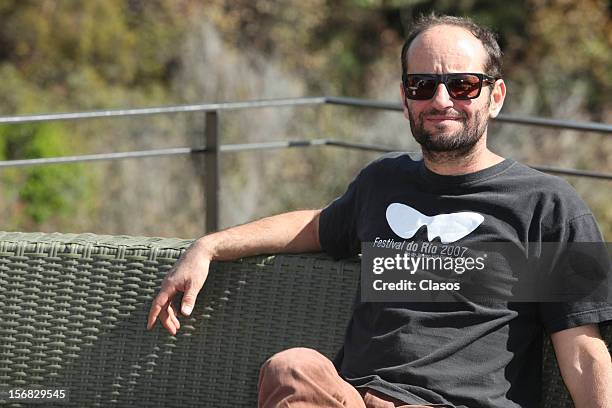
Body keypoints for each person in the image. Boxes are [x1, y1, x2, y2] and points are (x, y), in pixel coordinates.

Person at [147, 14, 612, 408]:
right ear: (406, 97)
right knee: (293, 369)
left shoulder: (548, 205)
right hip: (358, 398)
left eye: (464, 85)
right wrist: (208, 246)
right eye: (423, 84)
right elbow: (315, 224)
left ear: (496, 96)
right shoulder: (383, 183)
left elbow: (582, 352)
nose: (441, 100)